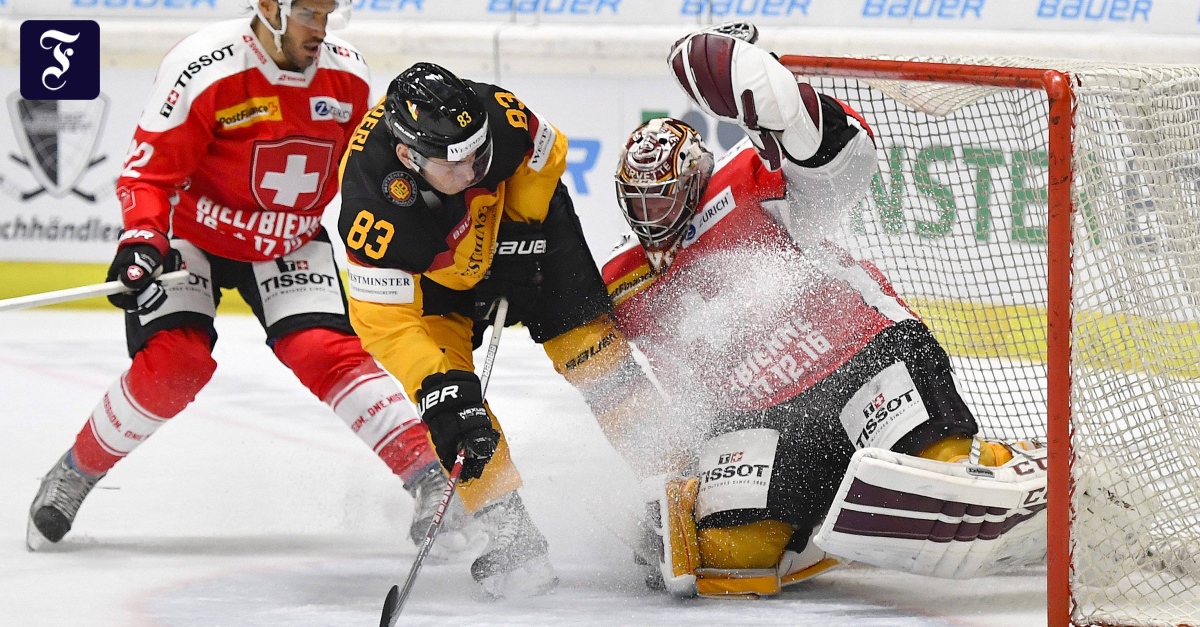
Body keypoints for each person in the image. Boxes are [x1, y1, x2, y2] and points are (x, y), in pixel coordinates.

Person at [602, 23, 1048, 598]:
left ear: (694, 178)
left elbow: (844, 161)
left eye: (661, 194)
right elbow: (651, 381)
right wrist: (679, 471)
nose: (649, 211)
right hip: (764, 420)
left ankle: (1022, 469)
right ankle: (818, 526)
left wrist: (785, 105)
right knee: (730, 558)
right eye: (636, 199)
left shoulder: (749, 181)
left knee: (938, 472)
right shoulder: (622, 281)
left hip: (861, 358)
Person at [25, 0, 479, 556]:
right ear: (270, 9)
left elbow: (376, 174)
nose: (323, 27)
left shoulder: (349, 75)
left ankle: (430, 476)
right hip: (193, 235)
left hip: (288, 238)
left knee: (325, 350)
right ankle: (74, 473)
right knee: (174, 365)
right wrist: (143, 238)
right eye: (311, 13)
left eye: (328, 13)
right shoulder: (205, 67)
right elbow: (147, 172)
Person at [335, 62, 666, 598]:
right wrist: (433, 384)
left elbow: (545, 150)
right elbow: (384, 322)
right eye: (455, 163)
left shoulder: (493, 113)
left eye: (479, 153)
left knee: (594, 355)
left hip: (527, 232)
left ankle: (673, 485)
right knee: (455, 407)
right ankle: (509, 532)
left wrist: (521, 228)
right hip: (438, 284)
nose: (473, 170)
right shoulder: (374, 214)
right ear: (407, 159)